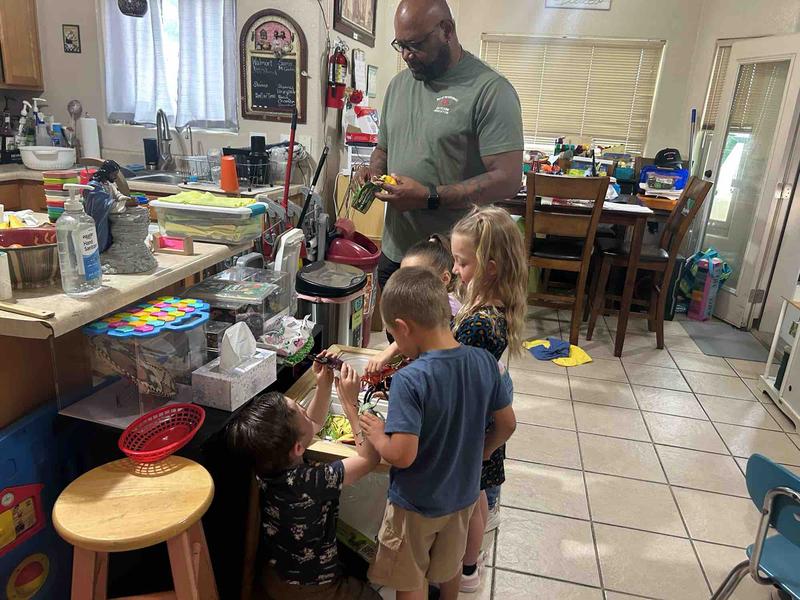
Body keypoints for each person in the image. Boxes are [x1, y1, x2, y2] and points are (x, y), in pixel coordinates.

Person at [359, 267, 516, 600]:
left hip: (416, 504)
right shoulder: (484, 362)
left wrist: (375, 433)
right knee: (449, 568)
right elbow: (507, 424)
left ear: (402, 328)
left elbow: (401, 454)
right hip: (462, 498)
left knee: (410, 576)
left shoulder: (410, 379)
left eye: (393, 336)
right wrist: (484, 452)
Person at [358, 0, 524, 291]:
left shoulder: (491, 91)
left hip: (454, 266)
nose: (407, 55)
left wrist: (429, 196)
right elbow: (383, 148)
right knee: (399, 336)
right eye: (400, 45)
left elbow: (508, 179)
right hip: (397, 254)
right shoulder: (398, 86)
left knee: (450, 339)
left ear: (446, 30)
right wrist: (374, 172)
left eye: (416, 44)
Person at [227, 357, 381, 600]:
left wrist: (323, 386)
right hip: (315, 586)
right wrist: (353, 404)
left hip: (276, 576)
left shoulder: (265, 468)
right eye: (300, 408)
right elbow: (368, 459)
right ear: (298, 449)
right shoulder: (315, 480)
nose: (304, 410)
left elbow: (312, 425)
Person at [450, 205, 527, 592]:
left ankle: (466, 570)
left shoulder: (480, 326)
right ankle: (472, 558)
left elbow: (459, 377)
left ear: (491, 268)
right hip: (481, 424)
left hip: (474, 429)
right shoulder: (488, 309)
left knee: (470, 501)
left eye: (462, 263)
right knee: (478, 495)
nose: (454, 271)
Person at [366, 234, 460, 372]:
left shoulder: (450, 305)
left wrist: (389, 352)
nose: (407, 285)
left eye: (418, 278)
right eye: (403, 277)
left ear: (444, 279)